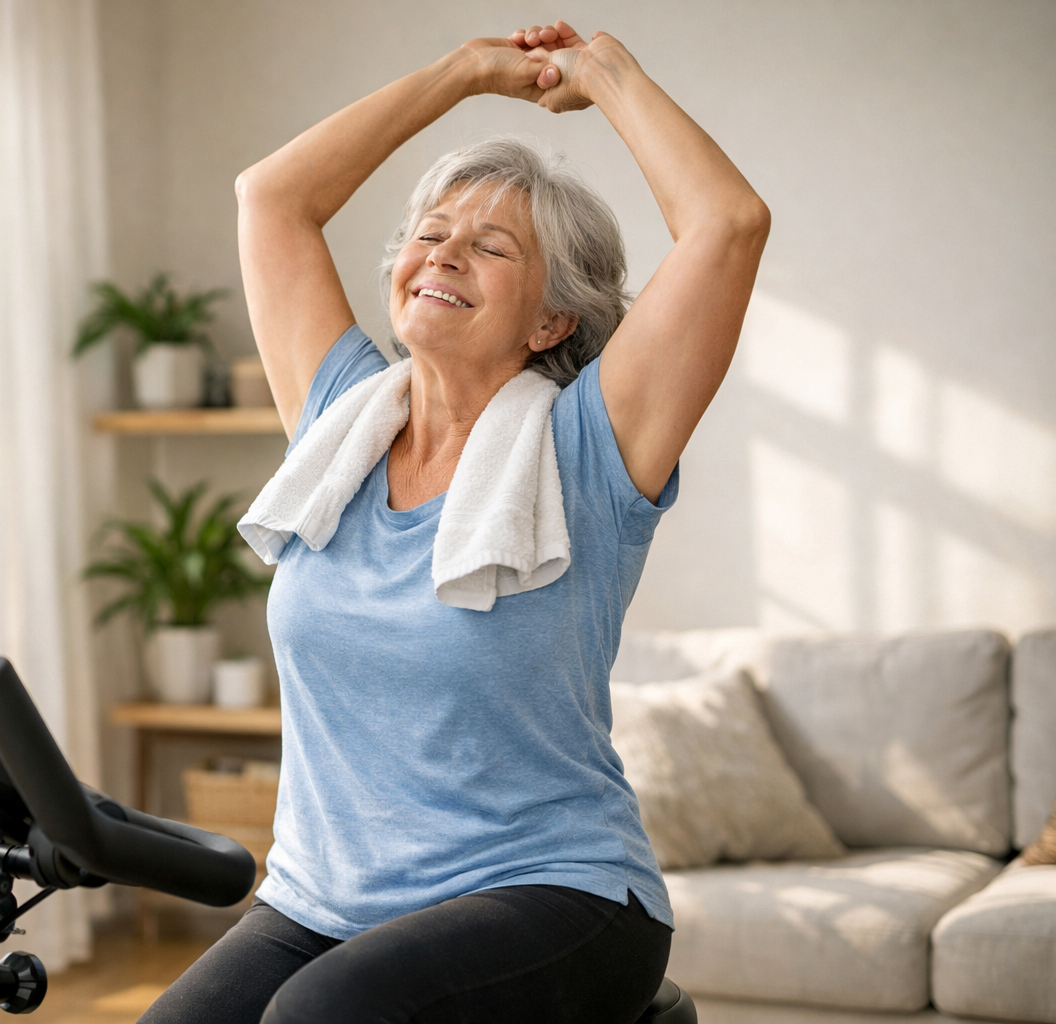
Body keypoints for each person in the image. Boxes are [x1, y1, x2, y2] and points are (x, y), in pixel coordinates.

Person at [139, 20, 768, 1024]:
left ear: (551, 320)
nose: (443, 255)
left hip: (554, 892)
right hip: (322, 899)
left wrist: (605, 75)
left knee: (320, 1019)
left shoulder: (589, 447)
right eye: (430, 234)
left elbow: (728, 223)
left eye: (491, 246)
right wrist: (465, 73)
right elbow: (272, 197)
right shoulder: (338, 426)